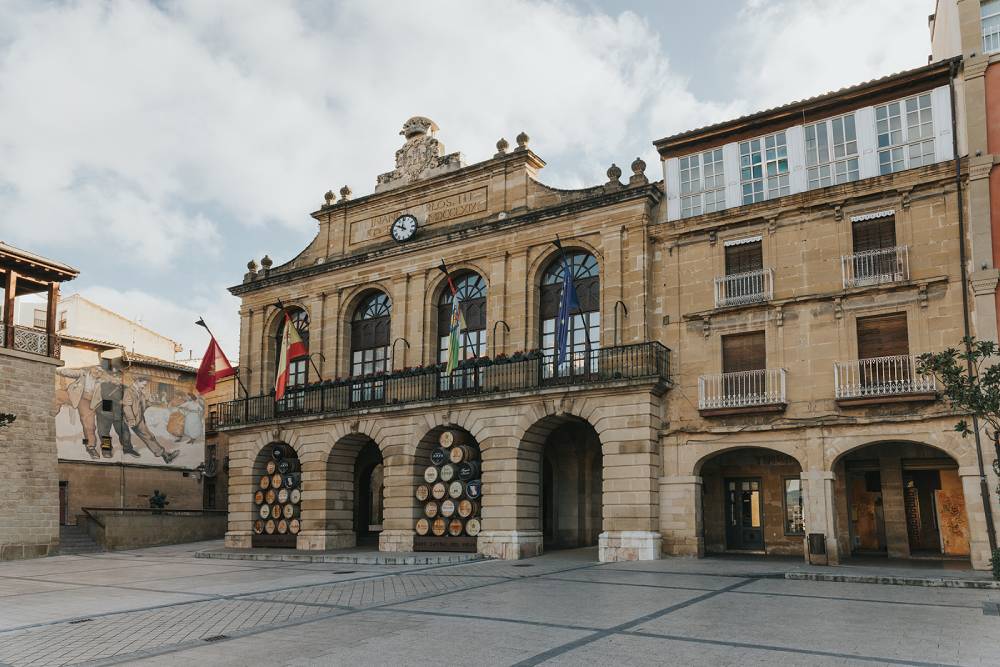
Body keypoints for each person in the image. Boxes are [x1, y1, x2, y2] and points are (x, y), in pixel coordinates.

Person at [123, 376, 179, 464]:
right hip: (133, 419)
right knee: (147, 436)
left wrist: (151, 402)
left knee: (149, 436)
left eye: (145, 385)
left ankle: (165, 455)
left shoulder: (139, 391)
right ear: (138, 381)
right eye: (143, 384)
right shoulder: (128, 391)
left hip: (139, 417)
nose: (144, 386)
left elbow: (143, 405)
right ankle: (165, 455)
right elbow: (126, 407)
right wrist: (131, 419)